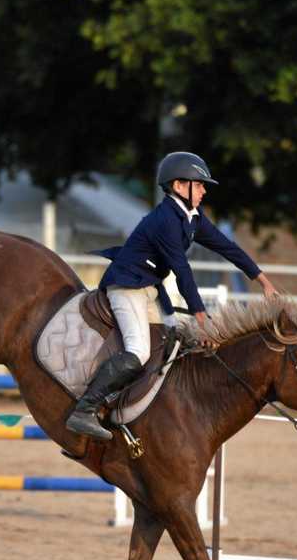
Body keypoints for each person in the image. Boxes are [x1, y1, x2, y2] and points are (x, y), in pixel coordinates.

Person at [66, 151, 279, 440]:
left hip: (150, 287)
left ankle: (137, 411)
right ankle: (85, 410)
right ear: (179, 186)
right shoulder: (165, 220)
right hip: (126, 286)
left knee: (172, 343)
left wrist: (262, 280)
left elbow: (227, 247)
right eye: (199, 184)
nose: (204, 190)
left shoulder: (191, 217)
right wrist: (202, 318)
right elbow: (183, 271)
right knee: (138, 351)